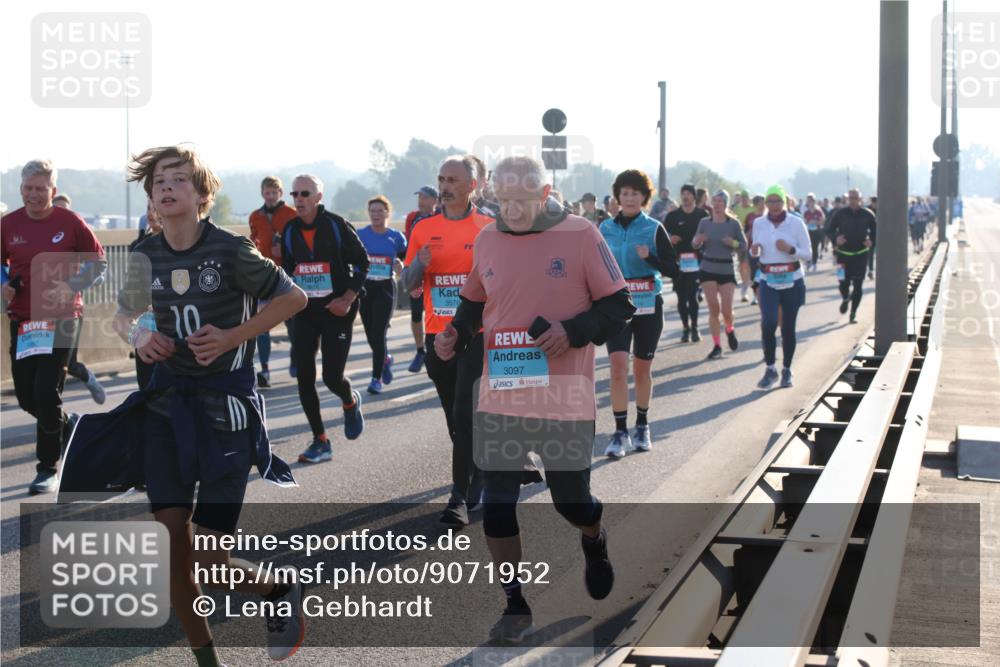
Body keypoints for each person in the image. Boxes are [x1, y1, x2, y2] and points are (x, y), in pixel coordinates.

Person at [93, 144, 309, 665]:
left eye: (178, 180)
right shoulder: (144, 254)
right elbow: (124, 316)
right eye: (158, 182)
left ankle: (278, 592)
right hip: (166, 413)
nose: (166, 187)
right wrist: (141, 335)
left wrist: (235, 335)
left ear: (202, 195)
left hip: (224, 417)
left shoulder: (231, 250)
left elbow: (293, 297)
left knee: (210, 560)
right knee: (173, 550)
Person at [434, 155, 633, 645]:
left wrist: (572, 331)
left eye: (522, 201)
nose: (512, 211)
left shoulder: (581, 234)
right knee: (498, 507)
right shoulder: (487, 238)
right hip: (502, 392)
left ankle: (594, 535)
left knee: (572, 503)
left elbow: (619, 305)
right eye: (502, 201)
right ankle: (514, 604)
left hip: (564, 397)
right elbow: (475, 300)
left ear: (544, 196)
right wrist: (455, 332)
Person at [1, 159, 107, 494]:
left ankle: (47, 469)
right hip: (23, 320)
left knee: (47, 393)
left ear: (53, 191)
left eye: (40, 189)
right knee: (27, 397)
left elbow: (98, 262)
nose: (33, 195)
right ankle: (67, 423)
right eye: (28, 188)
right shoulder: (8, 225)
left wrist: (73, 285)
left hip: (62, 318)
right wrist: (3, 283)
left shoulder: (70, 222)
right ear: (20, 188)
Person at [402, 156, 493, 526]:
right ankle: (474, 469)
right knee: (452, 413)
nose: (444, 185)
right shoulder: (424, 229)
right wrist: (421, 264)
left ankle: (471, 483)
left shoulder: (488, 228)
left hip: (478, 334)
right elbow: (406, 285)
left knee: (467, 409)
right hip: (437, 333)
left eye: (452, 179)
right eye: (441, 178)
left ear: (472, 185)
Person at [282, 174, 369, 463]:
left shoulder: (336, 224)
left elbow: (362, 262)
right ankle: (320, 441)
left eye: (305, 194)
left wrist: (347, 298)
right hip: (305, 312)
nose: (299, 199)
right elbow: (288, 271)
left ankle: (349, 400)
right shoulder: (290, 230)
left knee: (332, 377)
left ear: (319, 197)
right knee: (304, 376)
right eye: (294, 194)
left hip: (337, 310)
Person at [600, 169, 678, 458]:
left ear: (645, 197)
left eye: (635, 193)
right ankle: (620, 432)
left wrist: (651, 258)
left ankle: (642, 425)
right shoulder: (605, 229)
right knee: (617, 367)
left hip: (648, 304)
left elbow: (673, 270)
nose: (630, 198)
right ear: (618, 197)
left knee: (641, 369)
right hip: (617, 307)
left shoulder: (654, 227)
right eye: (625, 193)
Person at [751, 184, 812, 389]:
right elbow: (755, 250)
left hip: (792, 279)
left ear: (783, 203)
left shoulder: (795, 223)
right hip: (768, 280)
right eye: (770, 202)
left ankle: (786, 370)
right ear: (765, 203)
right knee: (768, 323)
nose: (774, 206)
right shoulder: (759, 223)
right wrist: (754, 249)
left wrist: (790, 249)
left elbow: (808, 254)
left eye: (777, 201)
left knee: (787, 328)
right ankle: (770, 368)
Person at [52, 191, 108, 404]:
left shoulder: (78, 236)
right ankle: (54, 413)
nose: (61, 213)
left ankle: (89, 380)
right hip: (42, 311)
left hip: (72, 309)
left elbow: (99, 273)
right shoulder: (41, 237)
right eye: (57, 208)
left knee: (69, 364)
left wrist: (75, 283)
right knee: (44, 364)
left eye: (66, 209)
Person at [248, 176, 299, 387]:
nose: (270, 197)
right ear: (262, 193)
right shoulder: (255, 216)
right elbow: (253, 240)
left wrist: (285, 250)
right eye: (267, 193)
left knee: (292, 322)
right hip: (264, 275)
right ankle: (265, 370)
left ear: (280, 193)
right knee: (262, 324)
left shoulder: (291, 215)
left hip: (288, 272)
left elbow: (300, 243)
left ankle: (297, 359)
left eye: (274, 193)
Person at [357, 195, 407, 394]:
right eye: (372, 211)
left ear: (388, 212)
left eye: (379, 211)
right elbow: (353, 256)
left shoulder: (396, 236)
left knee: (379, 334)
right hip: (365, 287)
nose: (376, 215)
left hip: (386, 287)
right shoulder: (361, 234)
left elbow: (405, 256)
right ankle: (385, 358)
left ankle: (375, 379)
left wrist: (401, 264)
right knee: (370, 334)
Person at [692, 190, 747, 359]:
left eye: (719, 202)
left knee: (727, 311)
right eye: (714, 201)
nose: (716, 205)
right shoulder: (704, 222)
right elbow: (694, 244)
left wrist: (733, 243)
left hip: (726, 269)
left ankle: (730, 329)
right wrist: (697, 241)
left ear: (725, 204)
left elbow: (744, 245)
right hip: (708, 268)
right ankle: (717, 345)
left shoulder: (733, 224)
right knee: (714, 310)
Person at [403, 186, 440, 373]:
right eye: (419, 197)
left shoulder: (442, 215)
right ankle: (420, 351)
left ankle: (440, 344)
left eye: (425, 197)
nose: (421, 201)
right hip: (418, 271)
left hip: (438, 272)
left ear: (435, 200)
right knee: (416, 313)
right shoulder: (412, 218)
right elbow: (409, 244)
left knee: (438, 310)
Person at [128, 198, 164, 389]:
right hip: (145, 327)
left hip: (171, 330)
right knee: (147, 389)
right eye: (148, 208)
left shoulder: (181, 246)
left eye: (155, 208)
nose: (151, 213)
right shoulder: (138, 246)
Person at [825, 188, 875, 324]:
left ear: (860, 199)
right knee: (842, 284)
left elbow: (876, 231)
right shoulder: (840, 214)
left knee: (858, 285)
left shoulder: (868, 214)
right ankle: (846, 298)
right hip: (843, 255)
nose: (853, 201)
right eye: (850, 198)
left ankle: (853, 313)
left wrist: (871, 241)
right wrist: (836, 239)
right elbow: (828, 229)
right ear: (847, 199)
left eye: (855, 198)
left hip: (860, 255)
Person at [663, 184, 704, 342]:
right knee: (681, 298)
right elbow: (662, 235)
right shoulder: (673, 216)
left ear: (694, 197)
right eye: (683, 194)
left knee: (692, 296)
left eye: (688, 194)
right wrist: (669, 239)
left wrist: (702, 241)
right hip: (678, 262)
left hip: (696, 262)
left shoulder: (702, 215)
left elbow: (709, 235)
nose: (686, 197)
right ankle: (685, 328)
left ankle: (695, 327)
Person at [744, 195, 766, 305]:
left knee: (764, 272)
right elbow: (745, 232)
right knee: (753, 274)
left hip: (766, 251)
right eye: (762, 202)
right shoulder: (750, 217)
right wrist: (750, 233)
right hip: (752, 249)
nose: (764, 205)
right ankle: (755, 295)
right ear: (756, 204)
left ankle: (764, 294)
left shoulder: (768, 216)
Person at [802, 193, 826, 271]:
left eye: (812, 201)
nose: (811, 203)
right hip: (808, 232)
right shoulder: (806, 212)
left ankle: (814, 262)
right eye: (809, 201)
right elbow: (804, 222)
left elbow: (822, 221)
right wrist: (809, 222)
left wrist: (816, 222)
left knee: (815, 247)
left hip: (816, 232)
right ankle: (808, 261)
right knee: (809, 247)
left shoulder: (818, 211)